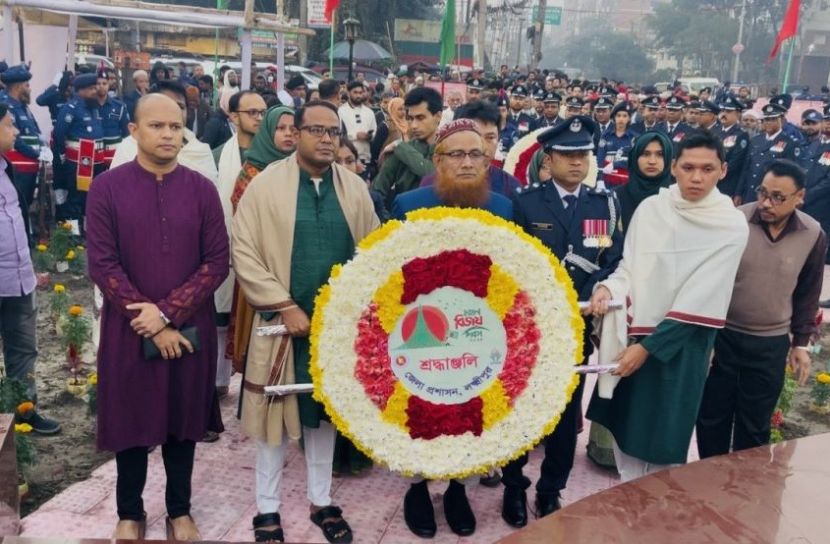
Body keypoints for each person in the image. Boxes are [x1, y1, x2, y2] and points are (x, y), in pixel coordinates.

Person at [232, 101, 378, 544]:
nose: (326, 138)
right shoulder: (265, 186)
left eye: (333, 131)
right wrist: (283, 305)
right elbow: (244, 249)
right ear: (296, 133)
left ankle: (321, 500)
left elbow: (374, 249)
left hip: (335, 329)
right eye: (316, 130)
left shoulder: (354, 188)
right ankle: (267, 508)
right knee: (272, 420)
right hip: (280, 326)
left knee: (324, 418)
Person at [86, 93, 229, 540]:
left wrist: (167, 315)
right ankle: (129, 512)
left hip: (188, 328)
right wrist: (149, 318)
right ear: (134, 131)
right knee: (131, 419)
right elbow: (102, 264)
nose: (168, 135)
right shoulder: (107, 188)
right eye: (157, 126)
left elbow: (217, 262)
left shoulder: (202, 189)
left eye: (176, 127)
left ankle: (178, 509)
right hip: (129, 328)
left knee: (183, 418)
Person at [586, 132, 749, 482]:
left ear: (723, 170)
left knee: (663, 440)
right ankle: (628, 512)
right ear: (674, 168)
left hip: (681, 345)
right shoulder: (651, 209)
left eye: (707, 169)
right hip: (633, 335)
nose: (696, 177)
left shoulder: (730, 223)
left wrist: (648, 348)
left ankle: (656, 520)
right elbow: (630, 267)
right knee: (625, 431)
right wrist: (607, 288)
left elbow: (701, 297)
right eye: (688, 167)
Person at [391, 119, 512, 539]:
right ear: (437, 160)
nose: (466, 163)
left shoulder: (502, 209)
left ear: (488, 160)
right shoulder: (408, 204)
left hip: (479, 333)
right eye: (455, 154)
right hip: (422, 331)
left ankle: (460, 487)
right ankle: (418, 489)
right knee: (421, 409)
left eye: (475, 154)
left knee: (471, 409)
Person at [502, 116, 623, 527]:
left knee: (563, 412)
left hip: (576, 325)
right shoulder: (526, 202)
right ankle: (514, 486)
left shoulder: (602, 204)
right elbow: (510, 261)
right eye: (568, 155)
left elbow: (610, 256)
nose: (577, 163)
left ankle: (550, 488)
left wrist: (603, 285)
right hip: (530, 326)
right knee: (521, 409)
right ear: (547, 159)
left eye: (583, 155)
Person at [696, 159, 826, 459]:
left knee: (754, 426)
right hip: (723, 337)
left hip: (769, 343)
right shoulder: (734, 221)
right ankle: (705, 486)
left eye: (778, 197)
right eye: (763, 192)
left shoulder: (812, 234)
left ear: (800, 197)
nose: (766, 203)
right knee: (711, 417)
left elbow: (808, 292)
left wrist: (801, 343)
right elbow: (710, 279)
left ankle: (744, 492)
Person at [0, 102, 61, 435]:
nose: (16, 131)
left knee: (24, 350)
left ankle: (24, 412)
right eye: (9, 125)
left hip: (18, 279)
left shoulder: (7, 167)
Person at [225, 106, 296, 376]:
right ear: (268, 132)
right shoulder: (252, 172)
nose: (288, 134)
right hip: (260, 265)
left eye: (293, 129)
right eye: (281, 128)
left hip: (290, 263)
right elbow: (244, 222)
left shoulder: (303, 168)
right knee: (259, 346)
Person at [110, 80, 217, 185]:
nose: (173, 110)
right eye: (166, 104)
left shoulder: (200, 151)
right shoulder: (129, 147)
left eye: (180, 106)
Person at [420, 100, 520, 197]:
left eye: (490, 137)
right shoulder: (431, 184)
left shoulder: (510, 188)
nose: (482, 145)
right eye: (476, 137)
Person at [372, 87, 443, 206]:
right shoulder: (400, 151)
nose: (414, 125)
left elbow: (435, 177)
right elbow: (377, 191)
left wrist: (401, 146)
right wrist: (388, 217)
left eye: (420, 118)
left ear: (438, 116)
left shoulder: (451, 149)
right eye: (410, 118)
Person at [1, 64, 48, 234]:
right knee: (18, 204)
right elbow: (17, 140)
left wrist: (43, 146)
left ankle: (25, 237)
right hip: (17, 167)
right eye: (27, 85)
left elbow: (35, 132)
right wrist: (38, 154)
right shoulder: (6, 107)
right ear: (19, 86)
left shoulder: (23, 107)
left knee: (25, 203)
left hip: (29, 167)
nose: (29, 89)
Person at [53, 73, 105, 227]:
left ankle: (88, 230)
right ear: (79, 91)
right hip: (80, 161)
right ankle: (73, 233)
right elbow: (59, 133)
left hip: (96, 161)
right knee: (77, 197)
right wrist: (62, 155)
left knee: (93, 196)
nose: (95, 91)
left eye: (95, 87)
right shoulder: (71, 108)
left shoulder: (93, 107)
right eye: (91, 89)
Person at [736, 103, 801, 205]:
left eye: (773, 119)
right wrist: (738, 193)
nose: (768, 123)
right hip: (749, 192)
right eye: (766, 120)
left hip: (770, 196)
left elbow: (788, 175)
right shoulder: (756, 140)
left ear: (782, 120)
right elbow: (746, 168)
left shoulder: (789, 143)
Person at [614, 131, 674, 230]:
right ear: (635, 157)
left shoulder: (677, 197)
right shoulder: (614, 197)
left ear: (668, 158)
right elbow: (598, 241)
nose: (652, 161)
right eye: (645, 154)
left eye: (660, 154)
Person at [714, 95, 751, 198]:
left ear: (738, 115)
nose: (724, 114)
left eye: (729, 112)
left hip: (727, 184)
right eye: (723, 110)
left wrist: (714, 173)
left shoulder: (741, 135)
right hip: (710, 180)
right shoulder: (714, 131)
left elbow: (735, 162)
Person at [338, 81, 377, 169]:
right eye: (355, 92)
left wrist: (369, 136)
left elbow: (375, 132)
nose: (358, 96)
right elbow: (338, 135)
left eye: (361, 92)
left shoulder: (369, 112)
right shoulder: (341, 111)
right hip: (346, 161)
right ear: (348, 93)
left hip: (365, 159)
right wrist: (356, 136)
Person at [596, 101, 637, 168]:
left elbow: (635, 160)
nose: (621, 119)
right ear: (614, 118)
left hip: (627, 176)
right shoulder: (606, 136)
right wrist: (600, 177)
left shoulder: (634, 137)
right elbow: (600, 158)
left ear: (629, 118)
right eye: (618, 115)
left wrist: (615, 164)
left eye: (625, 116)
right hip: (607, 175)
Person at [370, 96, 407, 168]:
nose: (403, 112)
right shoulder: (385, 126)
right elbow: (375, 149)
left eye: (404, 109)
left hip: (402, 164)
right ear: (392, 109)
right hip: (387, 165)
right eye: (400, 109)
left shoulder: (406, 125)